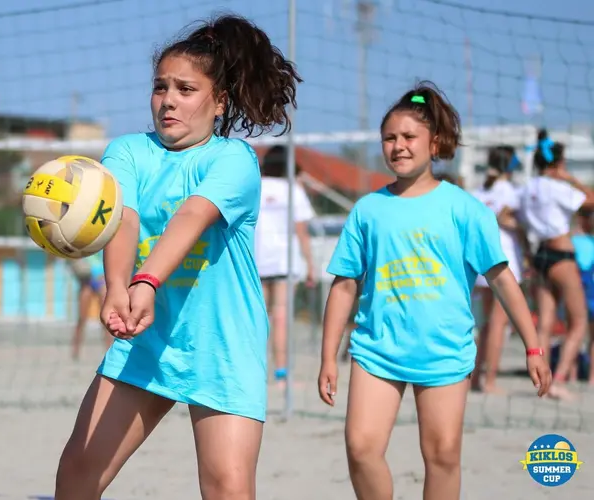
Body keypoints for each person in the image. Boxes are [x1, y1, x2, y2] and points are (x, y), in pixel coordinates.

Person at [54, 14, 301, 500]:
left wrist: (145, 282)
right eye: (160, 86)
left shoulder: (232, 159)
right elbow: (120, 218)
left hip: (222, 344)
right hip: (147, 342)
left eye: (186, 88)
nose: (169, 99)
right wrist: (118, 287)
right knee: (77, 476)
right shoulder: (127, 151)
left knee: (227, 489)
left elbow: (191, 216)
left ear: (219, 100)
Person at [317, 81, 551, 500]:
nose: (398, 146)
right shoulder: (368, 209)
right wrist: (328, 356)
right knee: (361, 449)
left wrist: (534, 346)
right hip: (377, 350)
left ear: (435, 142)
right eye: (389, 138)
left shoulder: (465, 208)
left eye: (409, 137)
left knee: (442, 455)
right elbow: (344, 285)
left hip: (444, 351)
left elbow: (502, 281)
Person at [519, 129, 594, 400]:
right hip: (561, 255)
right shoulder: (559, 187)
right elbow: (591, 201)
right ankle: (559, 379)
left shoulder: (527, 187)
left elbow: (514, 217)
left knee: (545, 324)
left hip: (539, 255)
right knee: (579, 322)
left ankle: (542, 378)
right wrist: (570, 178)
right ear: (559, 163)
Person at [255, 145, 316, 384]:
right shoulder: (293, 190)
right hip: (284, 260)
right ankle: (281, 373)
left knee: (258, 318)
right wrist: (310, 264)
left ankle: (256, 371)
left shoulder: (256, 186)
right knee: (280, 316)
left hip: (256, 259)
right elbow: (302, 231)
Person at [470, 146, 526, 393]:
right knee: (498, 323)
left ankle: (473, 378)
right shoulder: (511, 192)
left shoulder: (478, 193)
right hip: (503, 260)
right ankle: (489, 380)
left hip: (480, 260)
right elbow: (510, 221)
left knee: (484, 324)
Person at [571, 207, 594, 383]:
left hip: (577, 288)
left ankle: (570, 375)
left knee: (572, 332)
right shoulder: (584, 241)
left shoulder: (573, 240)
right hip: (589, 289)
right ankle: (592, 377)